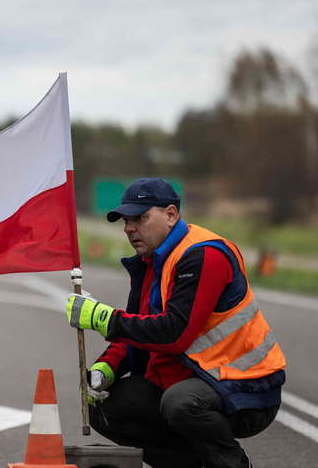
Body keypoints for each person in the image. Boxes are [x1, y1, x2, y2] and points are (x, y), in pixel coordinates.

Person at [65, 178, 285, 468]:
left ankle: (232, 464)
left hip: (247, 386)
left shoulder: (204, 255)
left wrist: (105, 319)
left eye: (140, 218)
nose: (130, 228)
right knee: (99, 405)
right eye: (126, 220)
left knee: (181, 403)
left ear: (171, 215)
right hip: (199, 378)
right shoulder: (153, 260)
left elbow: (174, 333)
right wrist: (109, 365)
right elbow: (143, 325)